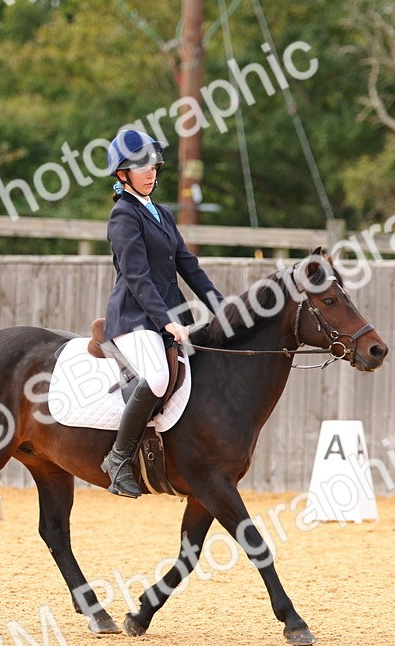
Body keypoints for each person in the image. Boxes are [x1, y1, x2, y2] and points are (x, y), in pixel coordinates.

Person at [99, 128, 225, 498]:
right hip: (134, 319)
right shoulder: (123, 216)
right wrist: (166, 320)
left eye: (153, 165)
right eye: (141, 167)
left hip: (168, 318)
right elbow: (137, 277)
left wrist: (219, 305)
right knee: (155, 379)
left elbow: (188, 264)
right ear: (123, 174)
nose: (151, 172)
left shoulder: (162, 214)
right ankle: (118, 459)